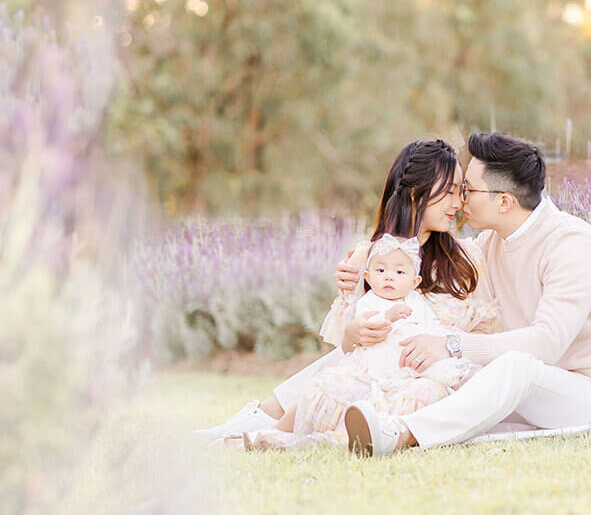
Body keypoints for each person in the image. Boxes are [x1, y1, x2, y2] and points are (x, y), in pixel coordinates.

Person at [343, 132, 591, 457]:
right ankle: (284, 414)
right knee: (384, 339)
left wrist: (453, 345)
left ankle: (400, 434)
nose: (460, 201)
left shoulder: (572, 244)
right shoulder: (490, 245)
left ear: (504, 201)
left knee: (515, 367)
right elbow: (426, 269)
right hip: (537, 391)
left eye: (468, 190)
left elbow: (546, 344)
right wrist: (366, 263)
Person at [192, 139, 500, 441]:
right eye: (448, 192)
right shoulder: (367, 258)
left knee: (361, 389)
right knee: (338, 381)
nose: (458, 203)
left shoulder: (466, 260)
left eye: (459, 192)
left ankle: (265, 419)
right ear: (417, 190)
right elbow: (347, 347)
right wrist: (356, 331)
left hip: (432, 384)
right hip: (371, 375)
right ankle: (259, 421)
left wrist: (444, 345)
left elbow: (486, 337)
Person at [232, 234, 485, 450]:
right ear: (368, 275)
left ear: (414, 281)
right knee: (326, 387)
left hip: (403, 373)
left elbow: (431, 328)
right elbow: (370, 323)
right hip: (371, 368)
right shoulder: (372, 300)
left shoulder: (416, 302)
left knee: (420, 395)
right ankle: (278, 432)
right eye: (380, 270)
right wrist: (389, 316)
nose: (389, 277)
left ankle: (363, 433)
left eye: (399, 272)